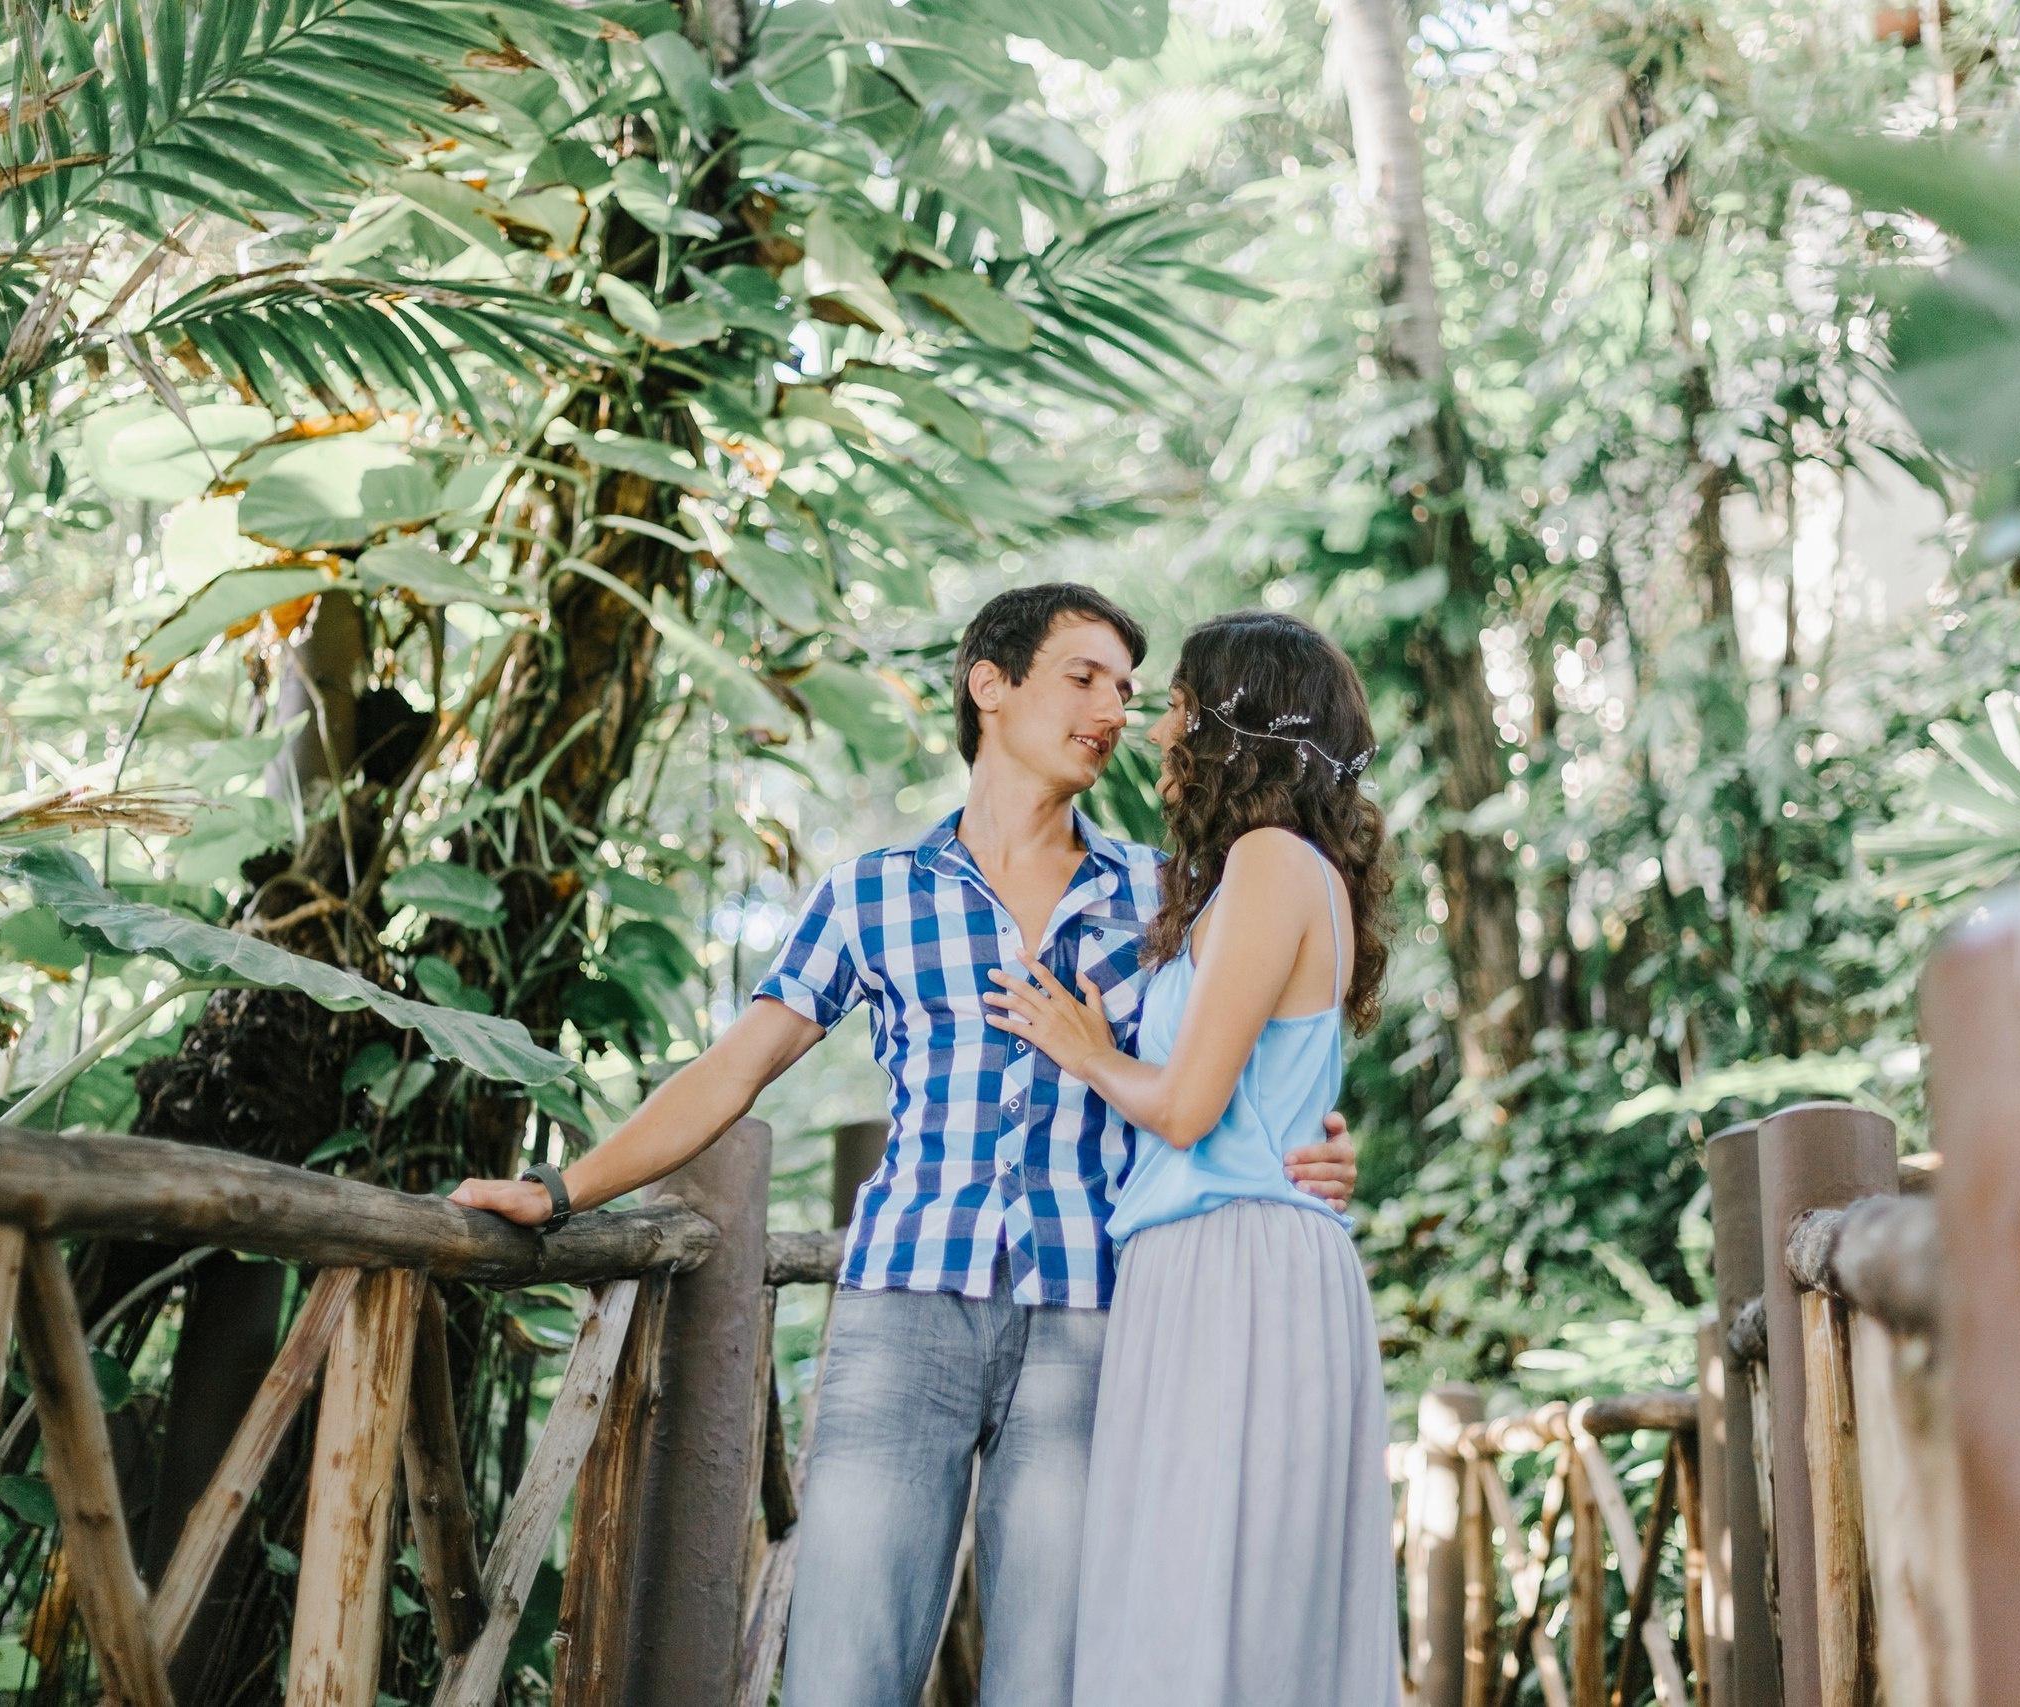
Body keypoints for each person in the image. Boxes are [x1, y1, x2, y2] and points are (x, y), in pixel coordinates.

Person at [449, 583, 1365, 1706]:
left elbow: (1256, 1043)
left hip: (1097, 1320)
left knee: (1058, 1679)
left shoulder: (1168, 892)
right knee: (844, 1668)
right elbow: (734, 1069)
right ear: (991, 685)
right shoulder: (872, 896)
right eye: (1083, 678)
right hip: (904, 1306)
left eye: (1129, 690)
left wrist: (1312, 1141)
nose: (1114, 711)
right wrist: (564, 1187)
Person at [984, 608, 1400, 1707]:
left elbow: (1185, 1108)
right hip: (1211, 1260)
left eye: (1173, 703)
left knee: (1208, 1597)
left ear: (1233, 724)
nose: (1153, 728)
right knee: (1198, 1595)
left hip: (1237, 1272)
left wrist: (1082, 1049)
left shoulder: (1270, 863)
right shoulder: (1249, 876)